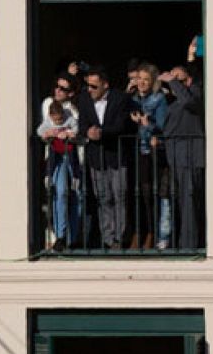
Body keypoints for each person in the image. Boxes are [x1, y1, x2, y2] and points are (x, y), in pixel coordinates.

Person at [77, 68, 132, 250]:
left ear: (105, 85)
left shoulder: (120, 98)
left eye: (94, 86)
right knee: (103, 198)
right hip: (96, 157)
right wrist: (87, 132)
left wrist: (101, 132)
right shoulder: (84, 99)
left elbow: (121, 125)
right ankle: (108, 238)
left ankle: (120, 236)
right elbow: (82, 124)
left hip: (116, 155)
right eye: (88, 86)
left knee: (119, 196)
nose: (90, 89)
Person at [160, 54, 205, 250]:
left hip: (190, 154)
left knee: (189, 201)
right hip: (175, 154)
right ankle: (180, 242)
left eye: (177, 78)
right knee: (178, 202)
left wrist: (174, 83)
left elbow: (190, 103)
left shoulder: (196, 90)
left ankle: (189, 245)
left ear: (188, 79)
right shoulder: (173, 97)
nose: (173, 81)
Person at [127, 62, 168, 250]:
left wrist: (147, 123)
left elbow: (162, 126)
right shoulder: (133, 98)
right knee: (132, 195)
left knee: (148, 194)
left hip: (149, 152)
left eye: (146, 79)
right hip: (132, 151)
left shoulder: (158, 99)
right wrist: (127, 95)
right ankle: (136, 231)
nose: (142, 83)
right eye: (139, 79)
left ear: (153, 82)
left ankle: (152, 233)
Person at [37, 78, 81, 252]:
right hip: (57, 157)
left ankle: (74, 237)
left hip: (73, 156)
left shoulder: (71, 113)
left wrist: (69, 133)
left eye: (63, 89)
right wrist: (48, 133)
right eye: (57, 87)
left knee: (77, 194)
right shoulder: (48, 106)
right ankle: (60, 236)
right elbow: (40, 130)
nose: (58, 90)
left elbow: (76, 128)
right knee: (60, 193)